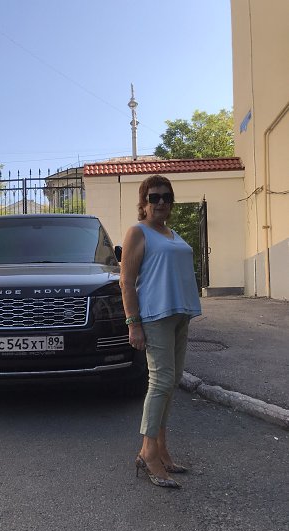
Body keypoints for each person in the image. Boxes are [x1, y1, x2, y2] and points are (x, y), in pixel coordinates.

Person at [119, 174, 201, 489]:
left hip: (180, 315)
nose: (161, 202)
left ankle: (162, 448)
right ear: (143, 203)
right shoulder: (138, 232)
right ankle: (148, 452)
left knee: (172, 382)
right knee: (160, 382)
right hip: (155, 317)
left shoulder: (172, 233)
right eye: (154, 197)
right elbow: (126, 281)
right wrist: (133, 324)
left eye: (166, 197)